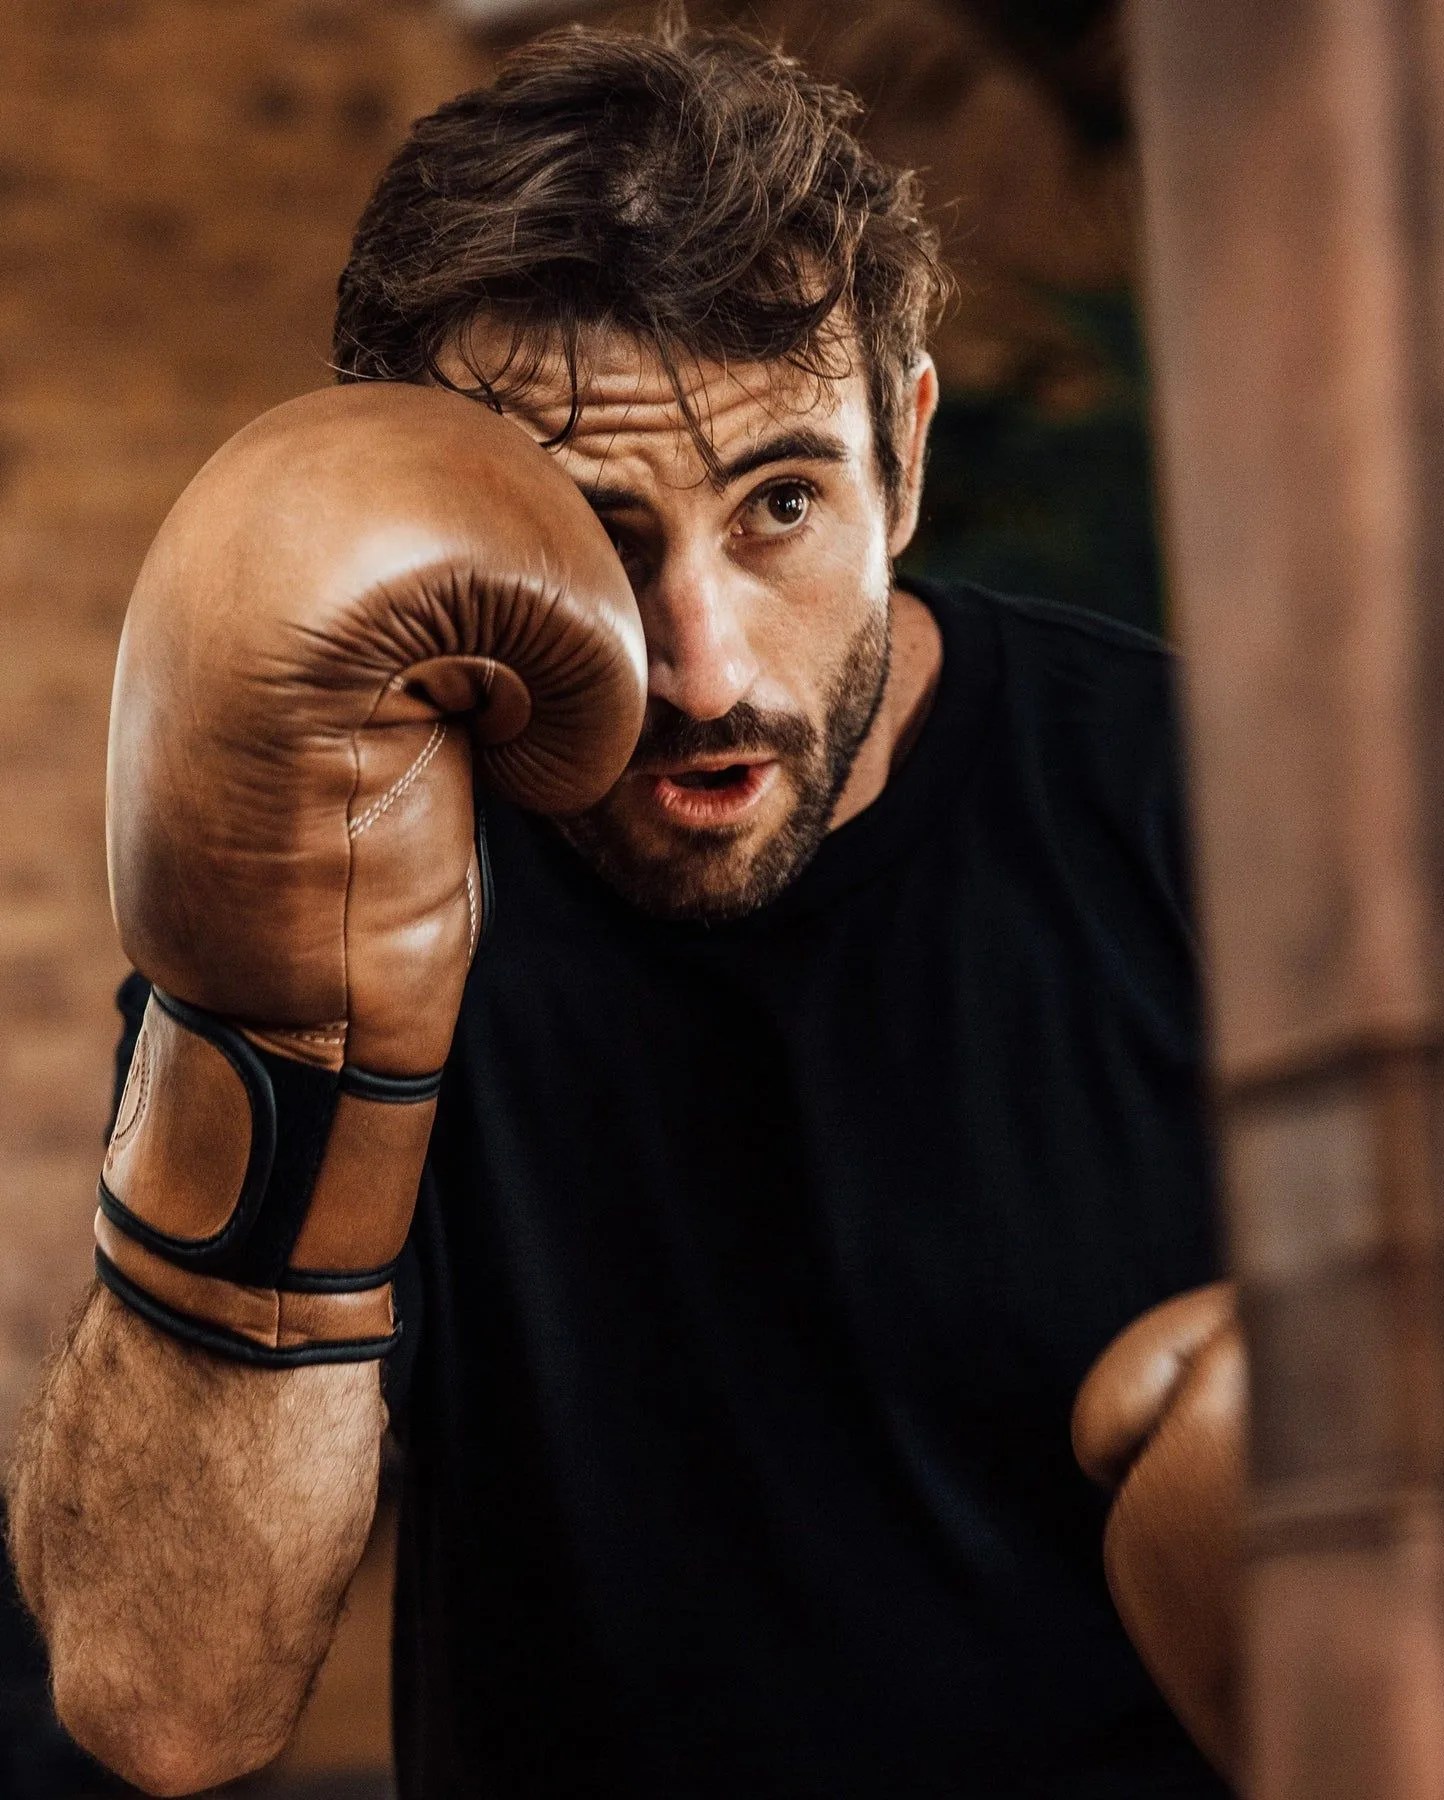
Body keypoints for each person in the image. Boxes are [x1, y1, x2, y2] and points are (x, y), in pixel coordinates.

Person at [7, 23, 1233, 1800]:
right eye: (596, 531)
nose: (702, 665)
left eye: (782, 504)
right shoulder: (341, 873)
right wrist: (282, 1040)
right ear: (443, 521)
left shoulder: (1190, 811)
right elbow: (159, 1697)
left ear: (904, 450)